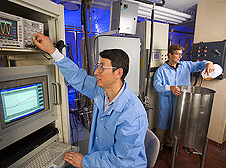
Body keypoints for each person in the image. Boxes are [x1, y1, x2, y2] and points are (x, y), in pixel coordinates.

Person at [33, 33, 149, 168]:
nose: (95, 72)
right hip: (100, 161)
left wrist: (85, 162)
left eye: (101, 67)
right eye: (97, 65)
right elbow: (79, 78)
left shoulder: (133, 114)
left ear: (118, 73)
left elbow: (121, 161)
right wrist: (53, 51)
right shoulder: (102, 91)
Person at [153, 44, 214, 151]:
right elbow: (157, 86)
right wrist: (170, 87)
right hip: (167, 102)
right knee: (162, 125)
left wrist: (209, 63)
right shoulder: (162, 71)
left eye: (181, 54)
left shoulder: (186, 66)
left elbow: (200, 65)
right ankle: (157, 149)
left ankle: (169, 143)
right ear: (170, 55)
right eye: (177, 54)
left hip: (181, 102)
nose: (180, 57)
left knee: (175, 124)